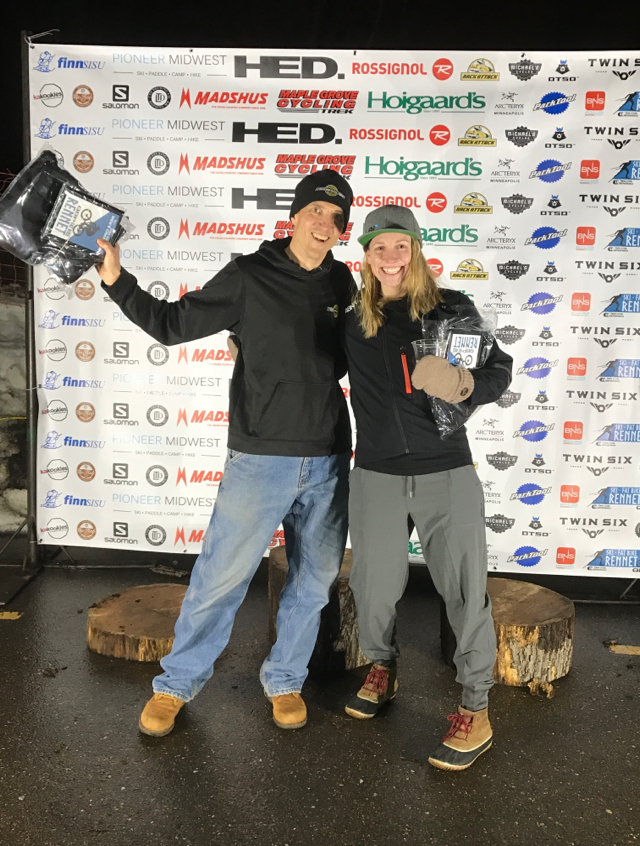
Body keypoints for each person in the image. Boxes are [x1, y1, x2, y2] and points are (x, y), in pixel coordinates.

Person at [96, 170, 354, 736]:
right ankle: (175, 685)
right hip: (260, 458)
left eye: (336, 218)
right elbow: (171, 325)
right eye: (315, 211)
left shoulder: (342, 284)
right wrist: (117, 280)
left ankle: (285, 679)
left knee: (313, 582)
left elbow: (344, 360)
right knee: (220, 580)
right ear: (294, 217)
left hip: (330, 456)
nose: (324, 223)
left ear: (343, 230)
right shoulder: (248, 275)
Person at [341, 205, 513, 771]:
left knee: (465, 591)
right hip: (377, 473)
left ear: (415, 250)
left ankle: (476, 709)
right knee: (372, 587)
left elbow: (499, 370)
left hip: (447, 471)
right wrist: (252, 347)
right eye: (379, 247)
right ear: (366, 256)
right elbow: (304, 355)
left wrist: (462, 383)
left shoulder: (451, 309)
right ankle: (382, 667)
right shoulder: (353, 318)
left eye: (400, 245)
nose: (390, 257)